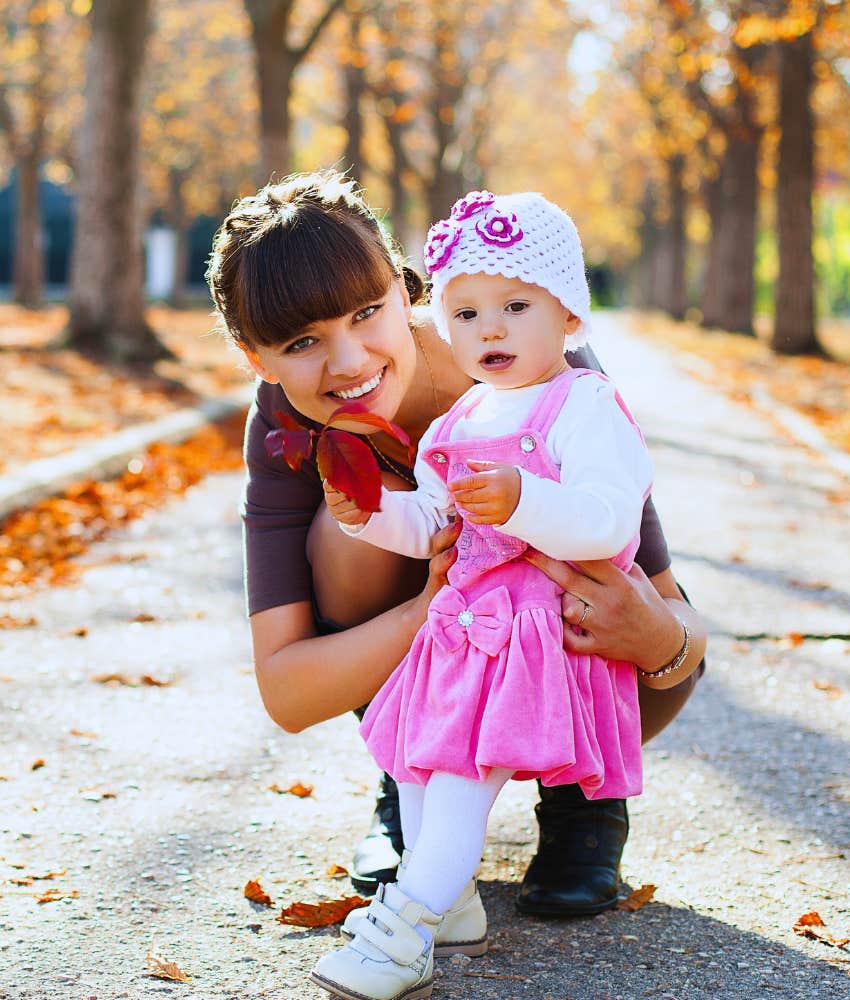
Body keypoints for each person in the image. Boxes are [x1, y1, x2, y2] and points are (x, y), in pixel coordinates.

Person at [205, 171, 706, 940]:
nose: (346, 362)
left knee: (583, 565)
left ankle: (584, 801)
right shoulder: (283, 428)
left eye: (368, 313)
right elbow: (288, 689)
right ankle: (406, 772)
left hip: (582, 651)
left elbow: (674, 620)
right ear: (255, 356)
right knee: (349, 530)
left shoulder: (540, 367)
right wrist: (430, 604)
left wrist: (662, 642)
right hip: (454, 641)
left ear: (405, 290)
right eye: (301, 343)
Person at [310, 191, 660, 999]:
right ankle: (454, 904)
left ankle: (402, 933)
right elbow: (435, 523)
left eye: (514, 305)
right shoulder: (457, 421)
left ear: (568, 314)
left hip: (538, 635)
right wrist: (374, 516)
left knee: (464, 780)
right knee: (424, 773)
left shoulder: (586, 404)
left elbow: (609, 522)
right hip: (465, 633)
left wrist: (526, 501)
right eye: (464, 313)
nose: (490, 329)